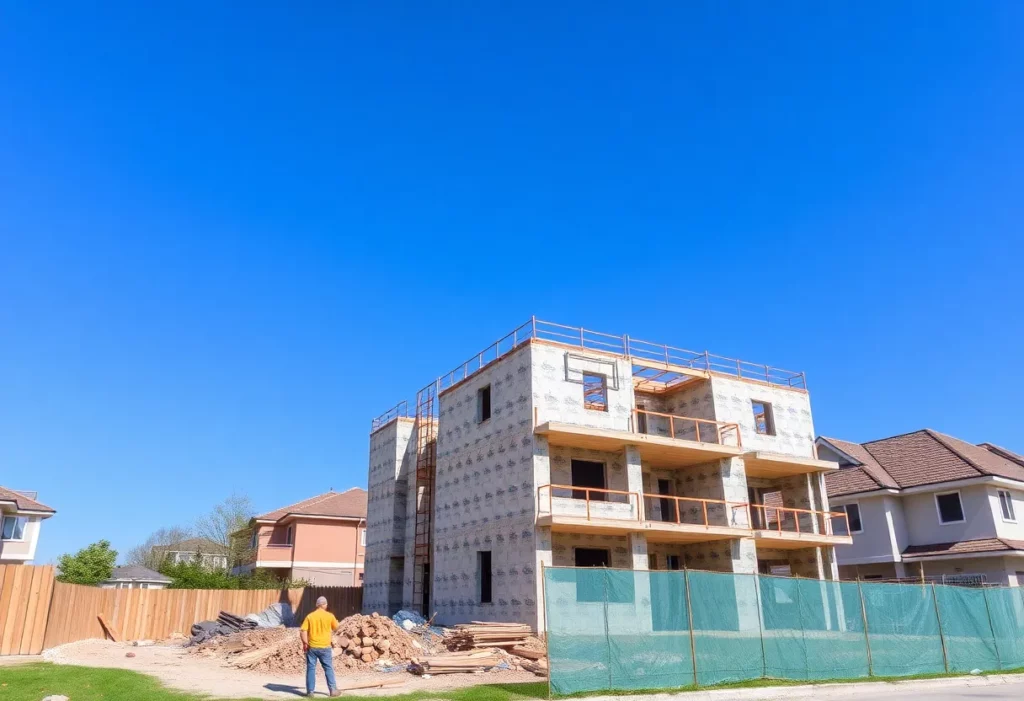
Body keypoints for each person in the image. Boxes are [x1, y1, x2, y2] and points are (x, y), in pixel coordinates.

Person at [300, 596, 341, 697]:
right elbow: (336, 628)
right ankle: (333, 690)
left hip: (312, 647)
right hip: (325, 647)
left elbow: (303, 631)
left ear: (317, 605)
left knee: (311, 668)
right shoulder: (330, 616)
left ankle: (310, 692)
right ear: (325, 605)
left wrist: (305, 642)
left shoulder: (310, 616)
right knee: (328, 668)